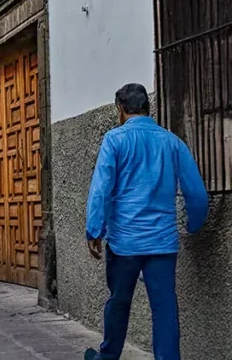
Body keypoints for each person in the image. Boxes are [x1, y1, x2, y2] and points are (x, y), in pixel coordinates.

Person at [84, 83, 209, 360]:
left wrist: (94, 230)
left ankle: (108, 356)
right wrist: (193, 224)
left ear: (120, 109)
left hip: (124, 244)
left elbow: (101, 189)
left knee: (118, 303)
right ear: (147, 108)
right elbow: (197, 194)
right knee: (164, 308)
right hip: (163, 243)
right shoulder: (172, 142)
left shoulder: (114, 140)